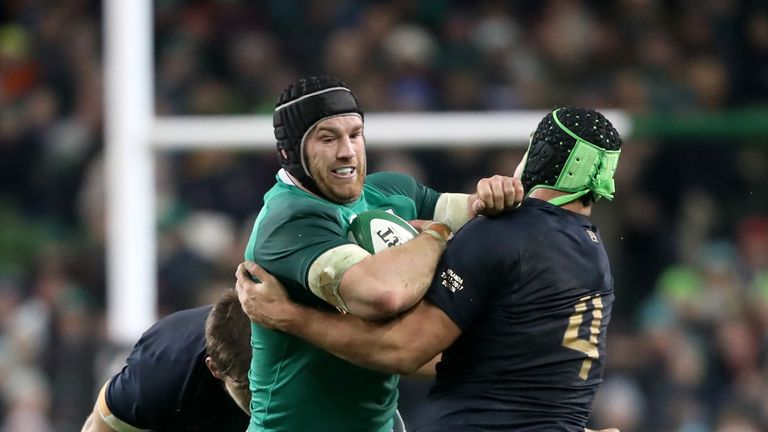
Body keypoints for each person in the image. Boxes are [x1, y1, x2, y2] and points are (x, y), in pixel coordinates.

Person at [237, 107, 623, 431]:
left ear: (539, 153)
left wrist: (291, 317)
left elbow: (402, 350)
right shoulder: (595, 261)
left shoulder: (499, 235)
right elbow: (485, 362)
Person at [243, 74, 523, 432]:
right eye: (327, 138)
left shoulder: (390, 190)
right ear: (289, 153)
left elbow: (484, 220)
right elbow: (382, 295)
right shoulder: (289, 220)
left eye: (355, 134)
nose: (347, 151)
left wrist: (498, 194)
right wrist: (436, 235)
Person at [80, 289, 251, 432]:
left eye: (267, 380)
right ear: (214, 368)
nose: (261, 398)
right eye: (246, 388)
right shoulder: (160, 376)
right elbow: (101, 425)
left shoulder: (275, 332)